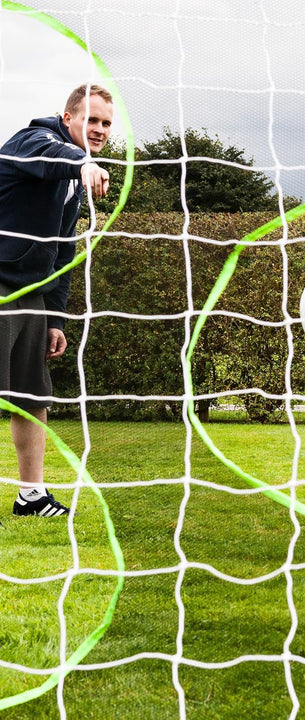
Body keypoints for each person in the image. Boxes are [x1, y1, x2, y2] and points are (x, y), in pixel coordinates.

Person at [0, 83, 113, 517]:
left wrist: (56, 319)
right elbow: (48, 158)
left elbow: (62, 252)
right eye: (91, 119)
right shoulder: (32, 141)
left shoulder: (75, 183)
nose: (100, 129)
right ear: (67, 118)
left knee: (32, 397)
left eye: (106, 123)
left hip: (31, 294)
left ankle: (31, 496)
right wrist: (81, 163)